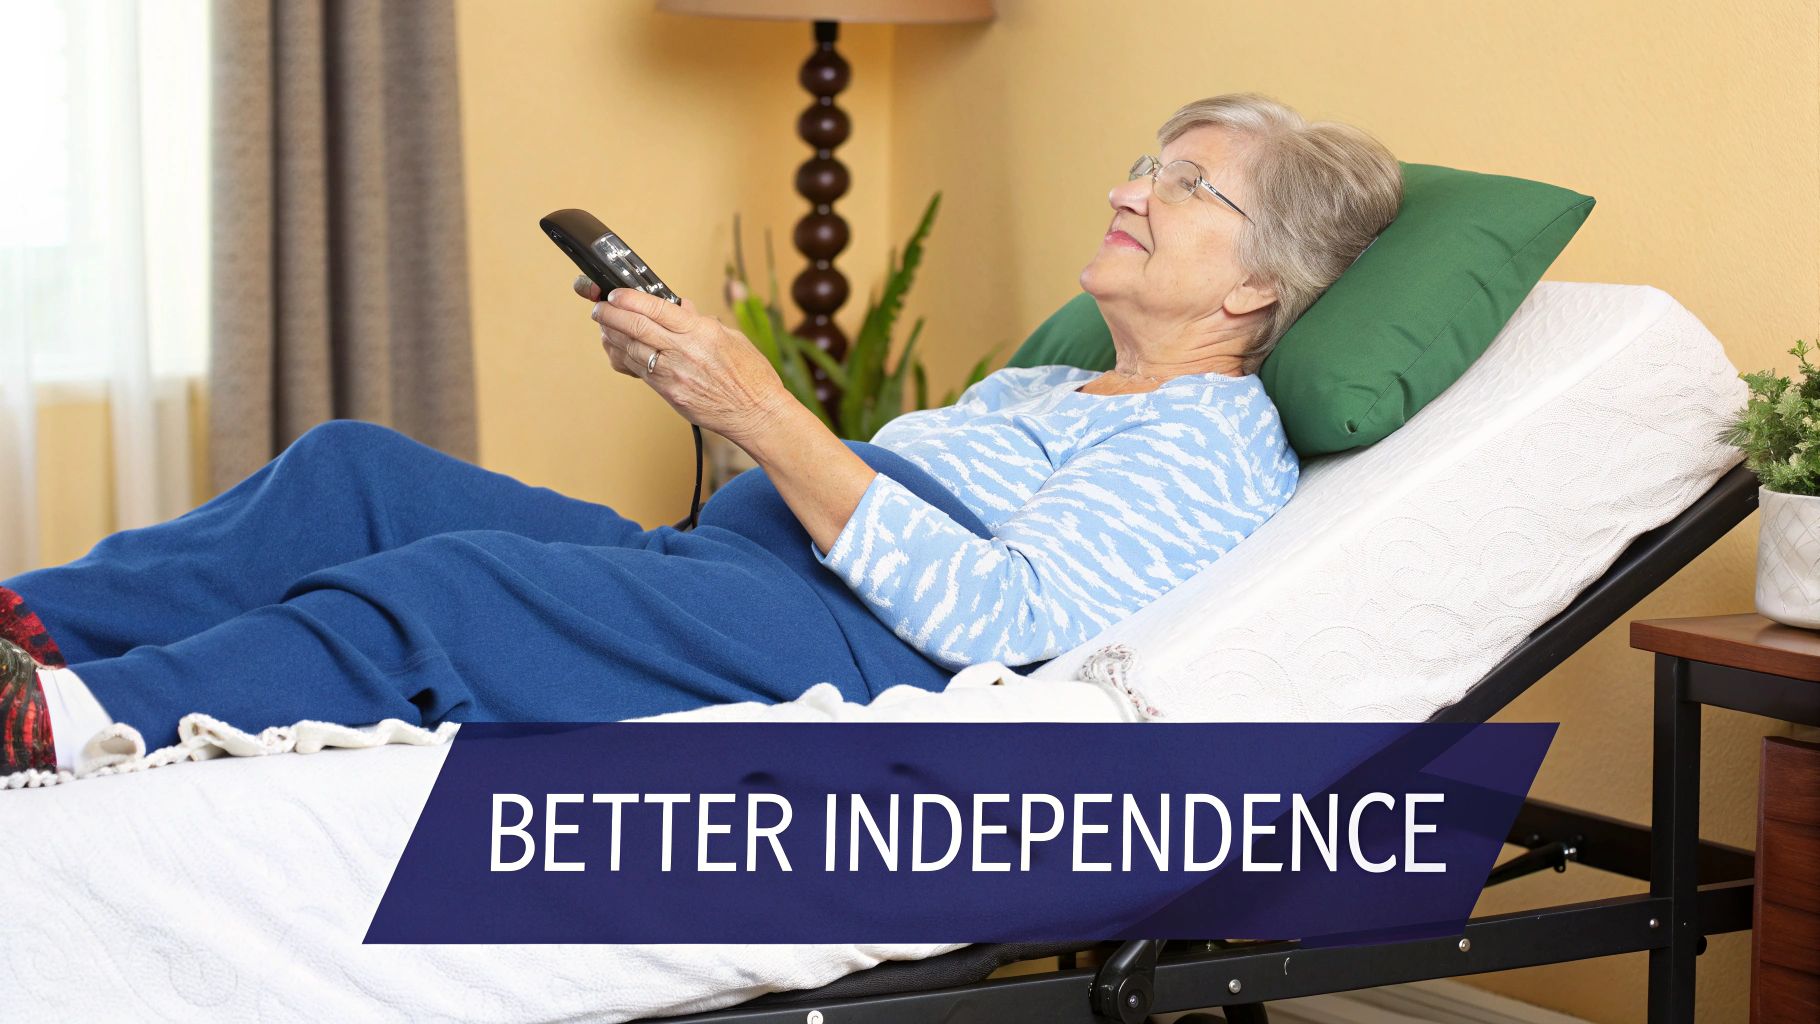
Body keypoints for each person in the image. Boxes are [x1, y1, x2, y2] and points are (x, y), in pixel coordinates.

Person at [0, 93, 1401, 777]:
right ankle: (32, 631)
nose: (1131, 186)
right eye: (1148, 160)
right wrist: (709, 400)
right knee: (360, 473)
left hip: (863, 652)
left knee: (461, 588)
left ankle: (60, 726)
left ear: (1258, 284)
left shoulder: (1210, 440)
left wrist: (761, 411)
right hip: (747, 569)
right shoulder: (1046, 390)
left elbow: (1004, 618)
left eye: (1185, 181)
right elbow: (845, 497)